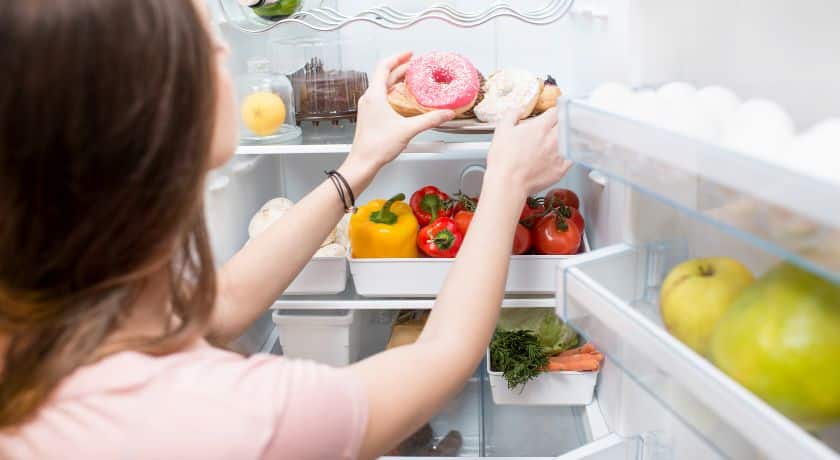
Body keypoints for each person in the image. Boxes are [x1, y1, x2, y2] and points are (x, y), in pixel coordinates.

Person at [0, 1, 571, 459]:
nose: (227, 46)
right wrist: (506, 181)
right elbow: (442, 358)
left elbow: (218, 307)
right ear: (147, 115)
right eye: (204, 40)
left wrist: (358, 166)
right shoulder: (241, 419)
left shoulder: (45, 325)